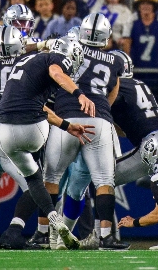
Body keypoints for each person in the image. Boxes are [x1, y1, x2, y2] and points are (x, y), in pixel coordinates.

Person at [0, 29, 96, 249]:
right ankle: (31, 226)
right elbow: (55, 77)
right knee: (34, 182)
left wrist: (67, 126)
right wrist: (78, 94)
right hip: (28, 126)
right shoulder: (47, 60)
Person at [43, 15, 128, 250]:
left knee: (51, 179)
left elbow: (51, 74)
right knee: (103, 181)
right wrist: (100, 110)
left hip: (65, 119)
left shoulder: (67, 48)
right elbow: (114, 90)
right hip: (97, 120)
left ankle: (44, 234)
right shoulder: (113, 60)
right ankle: (106, 236)